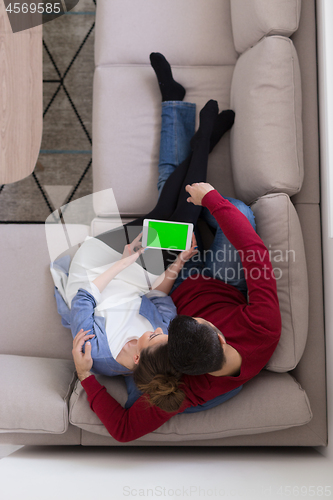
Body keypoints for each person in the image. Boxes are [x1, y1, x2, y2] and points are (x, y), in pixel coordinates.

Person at [70, 57, 282, 442]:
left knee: (173, 198)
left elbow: (123, 429)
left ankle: (182, 113)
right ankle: (203, 142)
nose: (158, 330)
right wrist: (214, 201)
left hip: (174, 278)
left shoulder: (183, 383)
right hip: (223, 279)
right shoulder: (263, 329)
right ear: (218, 335)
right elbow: (254, 252)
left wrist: (86, 376)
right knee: (237, 212)